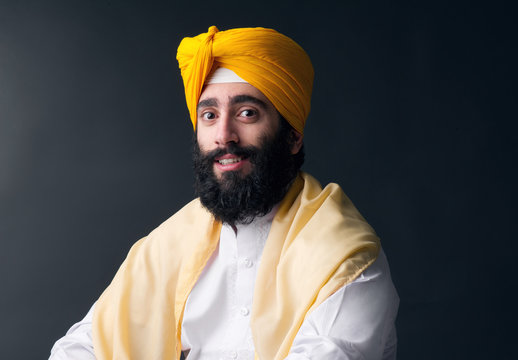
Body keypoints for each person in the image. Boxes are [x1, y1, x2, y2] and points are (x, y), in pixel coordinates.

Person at [49, 26, 399, 360]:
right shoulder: (168, 246)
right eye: (210, 115)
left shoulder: (343, 258)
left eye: (247, 113)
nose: (224, 135)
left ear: (292, 137)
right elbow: (80, 346)